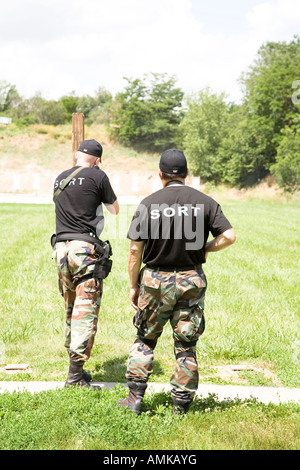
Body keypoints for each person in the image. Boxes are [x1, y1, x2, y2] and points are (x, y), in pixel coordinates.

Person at [119, 149, 235, 414]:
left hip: (154, 280)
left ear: (160, 175)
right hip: (191, 279)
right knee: (186, 343)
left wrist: (134, 284)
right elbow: (229, 236)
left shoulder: (148, 203)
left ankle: (134, 398)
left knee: (145, 338)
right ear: (187, 175)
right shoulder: (204, 201)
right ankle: (181, 405)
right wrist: (205, 248)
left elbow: (135, 250)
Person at [52, 139, 119, 388]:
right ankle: (74, 377)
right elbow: (115, 210)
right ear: (97, 160)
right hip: (84, 250)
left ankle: (76, 369)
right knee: (86, 310)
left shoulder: (59, 177)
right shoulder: (98, 177)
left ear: (77, 155)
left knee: (71, 309)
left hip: (60, 250)